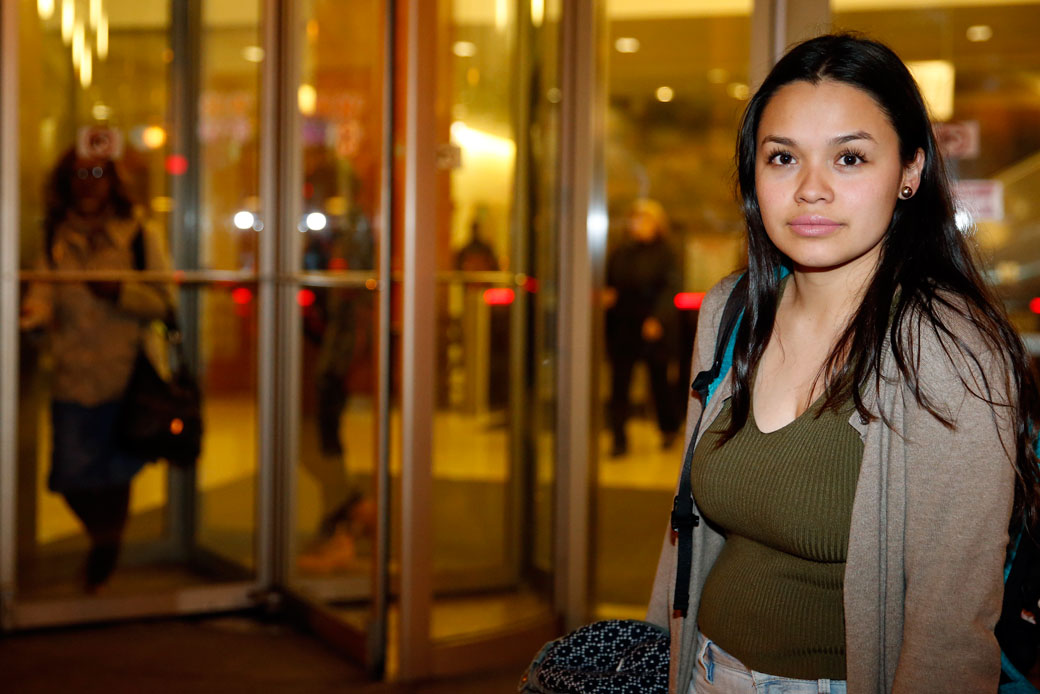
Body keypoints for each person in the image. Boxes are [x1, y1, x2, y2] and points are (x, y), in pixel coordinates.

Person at [647, 34, 1040, 694]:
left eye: (850, 158)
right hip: (703, 671)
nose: (810, 190)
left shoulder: (947, 350)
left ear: (910, 169)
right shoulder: (732, 312)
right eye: (782, 158)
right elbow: (682, 538)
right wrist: (663, 660)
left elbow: (950, 629)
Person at [20, 143, 175, 592]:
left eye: (97, 175)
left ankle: (106, 547)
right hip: (72, 374)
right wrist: (34, 318)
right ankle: (104, 537)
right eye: (79, 176)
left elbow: (163, 302)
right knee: (70, 476)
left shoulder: (140, 235)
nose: (88, 186)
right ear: (65, 183)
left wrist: (119, 293)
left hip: (127, 374)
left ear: (113, 181)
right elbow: (43, 295)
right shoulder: (55, 236)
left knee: (116, 473)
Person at [605, 198, 681, 456]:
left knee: (659, 380)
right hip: (624, 326)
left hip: (653, 326)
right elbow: (611, 282)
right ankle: (618, 438)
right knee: (620, 383)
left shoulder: (666, 253)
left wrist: (658, 319)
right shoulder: (620, 252)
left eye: (643, 219)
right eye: (634, 219)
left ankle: (668, 428)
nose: (637, 224)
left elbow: (671, 288)